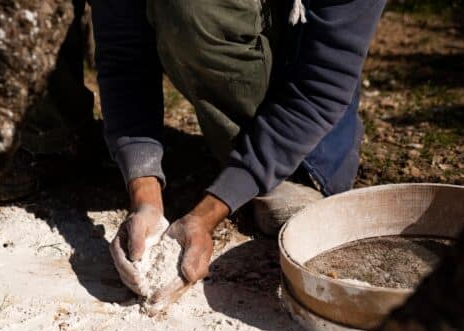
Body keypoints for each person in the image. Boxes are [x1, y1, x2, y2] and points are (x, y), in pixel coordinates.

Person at [91, 0, 386, 304]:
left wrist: (204, 217)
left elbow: (321, 85)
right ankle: (243, 164)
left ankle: (288, 172)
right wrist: (145, 194)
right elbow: (122, 48)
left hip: (310, 132)